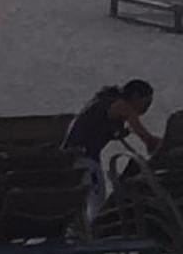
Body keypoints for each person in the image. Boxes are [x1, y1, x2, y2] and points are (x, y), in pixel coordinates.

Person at [64, 79, 159, 221]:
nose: (147, 107)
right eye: (146, 102)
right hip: (82, 159)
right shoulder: (120, 105)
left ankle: (84, 229)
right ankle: (92, 234)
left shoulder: (106, 103)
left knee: (88, 200)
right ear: (136, 97)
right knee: (97, 200)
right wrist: (151, 142)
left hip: (79, 158)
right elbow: (139, 129)